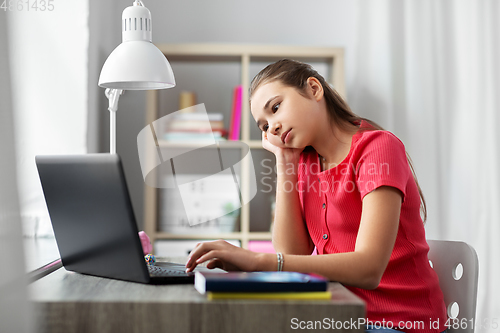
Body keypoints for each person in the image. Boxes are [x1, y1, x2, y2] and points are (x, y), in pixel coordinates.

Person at [185, 59, 447, 333]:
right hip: (340, 317)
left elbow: (369, 269)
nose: (272, 127)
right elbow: (291, 253)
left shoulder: (377, 148)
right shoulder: (306, 162)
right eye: (263, 126)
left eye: (275, 108)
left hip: (401, 323)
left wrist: (257, 261)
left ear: (313, 89)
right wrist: (285, 162)